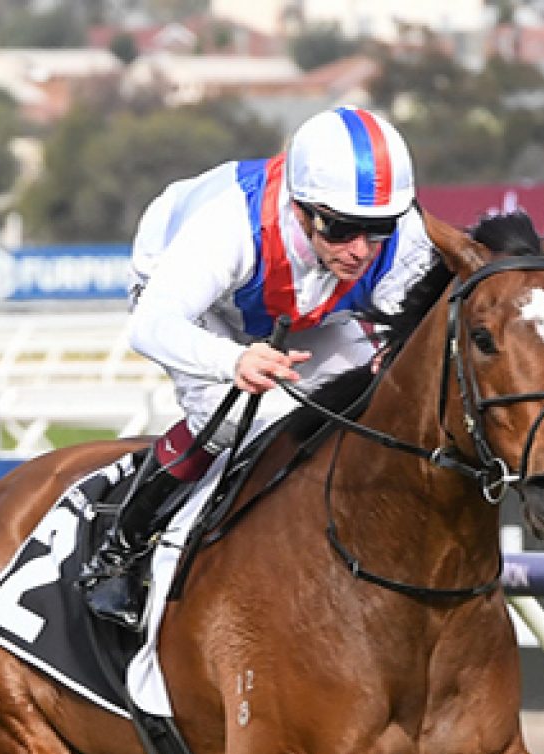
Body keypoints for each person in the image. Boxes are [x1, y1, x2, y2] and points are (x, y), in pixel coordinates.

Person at [76, 105, 441, 630]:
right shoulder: (229, 225)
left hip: (297, 306)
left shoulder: (401, 238)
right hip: (196, 299)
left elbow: (407, 342)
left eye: (376, 230)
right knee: (239, 421)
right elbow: (151, 326)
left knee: (376, 403)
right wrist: (233, 359)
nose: (360, 251)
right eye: (340, 230)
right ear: (302, 208)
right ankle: (122, 550)